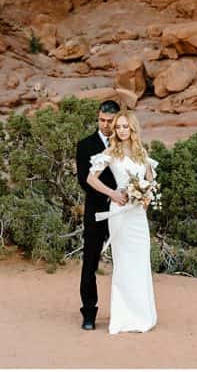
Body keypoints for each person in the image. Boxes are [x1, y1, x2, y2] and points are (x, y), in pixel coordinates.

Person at [86, 110, 158, 334]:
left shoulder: (141, 152)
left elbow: (151, 180)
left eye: (125, 126)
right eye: (118, 127)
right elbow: (91, 178)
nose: (122, 130)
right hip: (119, 213)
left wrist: (146, 196)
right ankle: (124, 317)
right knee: (124, 263)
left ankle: (142, 316)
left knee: (140, 262)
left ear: (132, 128)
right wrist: (113, 193)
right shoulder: (110, 152)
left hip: (137, 215)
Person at [75, 99, 124, 330]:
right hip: (96, 210)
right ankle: (89, 313)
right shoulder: (85, 145)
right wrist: (108, 196)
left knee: (124, 262)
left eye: (109, 121)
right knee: (90, 262)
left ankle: (124, 312)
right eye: (101, 120)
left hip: (123, 212)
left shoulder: (125, 143)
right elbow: (84, 180)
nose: (105, 125)